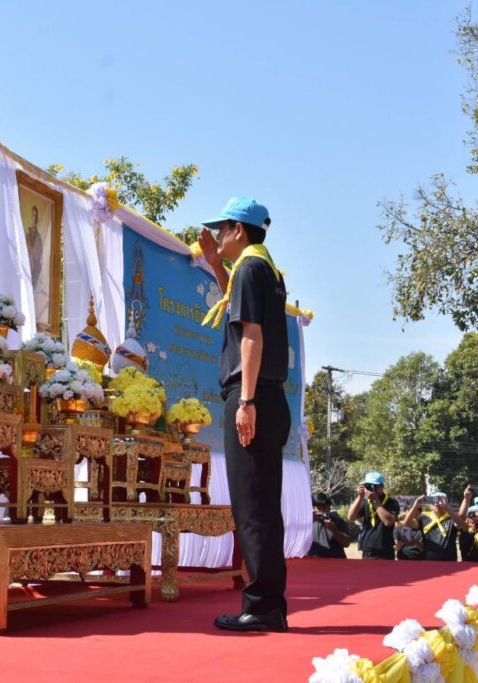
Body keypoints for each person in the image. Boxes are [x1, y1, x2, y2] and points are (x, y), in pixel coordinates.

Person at [198, 197, 290, 633]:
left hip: (254, 397)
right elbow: (238, 306)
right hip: (268, 398)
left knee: (253, 508)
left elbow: (251, 335)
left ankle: (263, 606)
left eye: (222, 229)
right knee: (261, 505)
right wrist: (215, 264)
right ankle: (268, 604)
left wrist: (246, 402)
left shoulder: (252, 268)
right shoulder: (262, 268)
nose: (217, 236)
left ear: (238, 229)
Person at [347, 472, 400, 559]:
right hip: (367, 552)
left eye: (374, 486)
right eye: (368, 486)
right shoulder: (365, 502)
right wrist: (360, 497)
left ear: (382, 486)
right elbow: (350, 517)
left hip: (385, 552)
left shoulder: (392, 502)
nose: (371, 489)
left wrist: (375, 500)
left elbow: (388, 522)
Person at [404, 492, 458, 561]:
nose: (437, 504)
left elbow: (460, 524)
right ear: (430, 505)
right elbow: (407, 523)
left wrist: (448, 509)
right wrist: (415, 506)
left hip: (449, 562)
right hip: (428, 561)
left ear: (446, 503)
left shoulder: (452, 518)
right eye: (433, 501)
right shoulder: (423, 518)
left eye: (440, 501)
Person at [307, 492, 351, 559]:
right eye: (319, 508)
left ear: (330, 507)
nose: (322, 511)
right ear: (312, 509)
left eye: (325, 508)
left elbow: (346, 543)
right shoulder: (306, 522)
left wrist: (334, 530)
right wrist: (310, 522)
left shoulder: (337, 520)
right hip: (314, 561)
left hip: (335, 561)